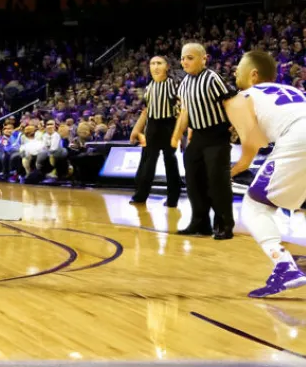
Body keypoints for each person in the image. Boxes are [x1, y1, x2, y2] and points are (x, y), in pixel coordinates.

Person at [223, 50, 306, 297]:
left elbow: (251, 145)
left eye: (239, 68)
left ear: (253, 74)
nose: (235, 72)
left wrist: (235, 169)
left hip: (298, 138)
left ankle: (284, 268)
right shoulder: (291, 90)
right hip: (298, 134)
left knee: (254, 207)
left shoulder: (243, 97)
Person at [171, 42, 235, 239]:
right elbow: (185, 112)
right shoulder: (184, 83)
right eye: (182, 58)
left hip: (217, 135)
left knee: (217, 182)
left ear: (204, 59)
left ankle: (224, 224)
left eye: (190, 58)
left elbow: (229, 103)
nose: (185, 62)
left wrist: (235, 128)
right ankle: (200, 223)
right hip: (198, 136)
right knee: (193, 180)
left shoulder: (212, 78)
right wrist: (176, 136)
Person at [129, 56, 182, 207]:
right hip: (152, 125)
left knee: (170, 162)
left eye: (159, 63)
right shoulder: (149, 87)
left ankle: (173, 199)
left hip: (169, 125)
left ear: (167, 66)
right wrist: (136, 130)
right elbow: (146, 111)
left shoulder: (174, 85)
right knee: (147, 161)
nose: (156, 66)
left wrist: (179, 133)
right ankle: (140, 196)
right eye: (153, 63)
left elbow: (182, 111)